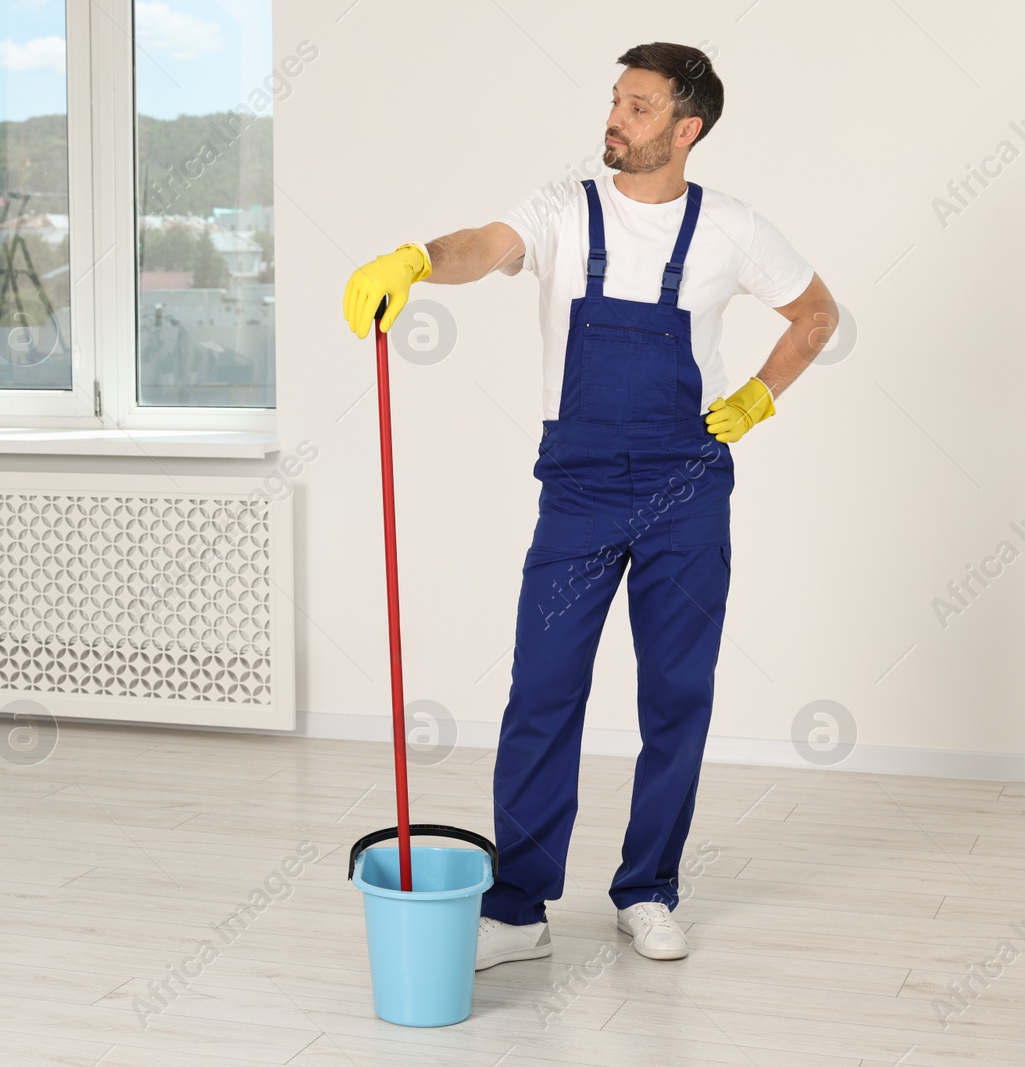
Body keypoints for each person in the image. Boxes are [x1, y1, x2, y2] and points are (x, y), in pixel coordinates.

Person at [341, 42, 837, 965]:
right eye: (616, 100)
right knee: (543, 690)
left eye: (640, 107)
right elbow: (482, 248)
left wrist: (762, 395)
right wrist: (415, 257)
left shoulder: (730, 227)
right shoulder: (562, 212)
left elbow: (817, 314)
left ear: (687, 129)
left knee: (676, 696)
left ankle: (647, 889)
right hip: (579, 489)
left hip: (688, 486)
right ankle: (518, 909)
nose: (617, 118)